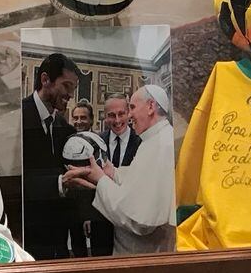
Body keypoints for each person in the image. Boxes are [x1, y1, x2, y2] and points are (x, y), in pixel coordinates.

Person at [63, 85, 176, 255]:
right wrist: (113, 172)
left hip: (142, 254)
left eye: (132, 108)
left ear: (151, 106)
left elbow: (139, 218)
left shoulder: (162, 144)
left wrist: (101, 179)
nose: (129, 115)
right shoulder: (154, 140)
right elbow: (140, 182)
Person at [20, 53, 79, 260]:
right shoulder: (18, 117)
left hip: (59, 240)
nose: (71, 94)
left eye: (73, 87)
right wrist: (59, 182)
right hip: (26, 237)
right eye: (66, 86)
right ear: (45, 80)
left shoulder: (66, 129)